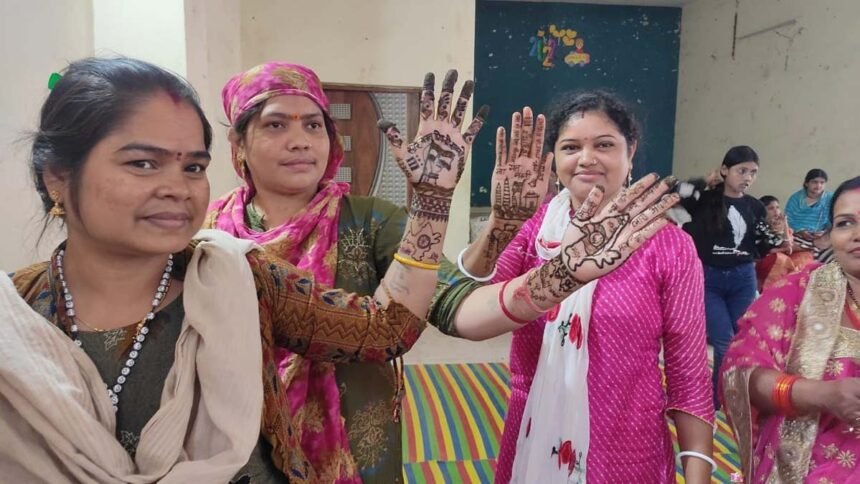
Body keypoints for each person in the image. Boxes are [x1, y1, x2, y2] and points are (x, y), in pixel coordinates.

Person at [0, 57, 471, 483]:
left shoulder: (237, 275)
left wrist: (432, 201)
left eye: (192, 167)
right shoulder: (15, 315)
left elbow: (386, 329)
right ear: (57, 177)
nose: (177, 188)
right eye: (142, 163)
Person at [205, 62, 490, 482]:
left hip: (356, 449)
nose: (300, 141)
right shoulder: (209, 235)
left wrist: (561, 274)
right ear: (238, 143)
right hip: (238, 446)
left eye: (313, 125)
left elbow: (452, 301)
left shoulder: (370, 220)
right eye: (276, 125)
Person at [461, 91, 715, 483]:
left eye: (604, 145)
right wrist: (502, 221)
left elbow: (689, 371)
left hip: (626, 447)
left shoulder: (667, 245)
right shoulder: (536, 229)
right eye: (571, 147)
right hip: (534, 433)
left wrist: (698, 473)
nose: (586, 158)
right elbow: (469, 305)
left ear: (631, 150)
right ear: (554, 159)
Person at [720, 176, 860, 483]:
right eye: (845, 223)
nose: (857, 235)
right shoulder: (797, 293)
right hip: (802, 469)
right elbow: (741, 375)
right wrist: (822, 394)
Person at [679, 145, 784, 408]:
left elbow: (761, 245)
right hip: (708, 278)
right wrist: (704, 182)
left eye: (753, 172)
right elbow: (676, 195)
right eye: (742, 170)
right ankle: (718, 400)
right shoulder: (705, 199)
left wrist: (777, 236)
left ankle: (736, 395)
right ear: (725, 170)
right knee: (724, 340)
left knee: (743, 338)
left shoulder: (754, 206)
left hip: (742, 278)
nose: (747, 177)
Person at [785, 168, 833, 244]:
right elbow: (788, 220)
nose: (818, 185)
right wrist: (800, 231)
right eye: (815, 182)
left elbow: (835, 220)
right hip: (796, 237)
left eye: (822, 182)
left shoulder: (830, 199)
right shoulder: (795, 199)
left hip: (822, 238)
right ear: (806, 183)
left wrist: (824, 233)